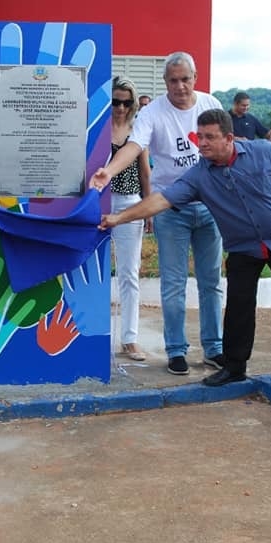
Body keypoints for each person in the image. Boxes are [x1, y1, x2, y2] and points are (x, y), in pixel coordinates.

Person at [98, 109, 271, 393]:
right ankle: (234, 368)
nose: (201, 143)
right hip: (244, 246)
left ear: (229, 138)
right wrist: (119, 218)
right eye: (199, 136)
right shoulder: (199, 175)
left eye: (209, 137)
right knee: (238, 308)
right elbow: (161, 199)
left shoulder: (263, 151)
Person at [91, 51, 224, 376]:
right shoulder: (153, 112)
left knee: (211, 282)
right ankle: (176, 350)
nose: (180, 86)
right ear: (165, 82)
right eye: (173, 80)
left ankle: (214, 348)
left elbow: (226, 147)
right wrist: (108, 172)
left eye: (185, 79)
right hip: (170, 208)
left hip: (210, 207)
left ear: (195, 78)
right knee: (174, 283)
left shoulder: (211, 105)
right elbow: (134, 147)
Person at [108, 76, 151, 361]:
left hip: (129, 203)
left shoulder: (138, 130)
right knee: (92, 271)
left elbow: (145, 171)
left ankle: (130, 338)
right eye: (116, 101)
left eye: (126, 102)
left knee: (129, 273)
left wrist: (148, 207)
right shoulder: (98, 127)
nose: (121, 107)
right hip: (99, 202)